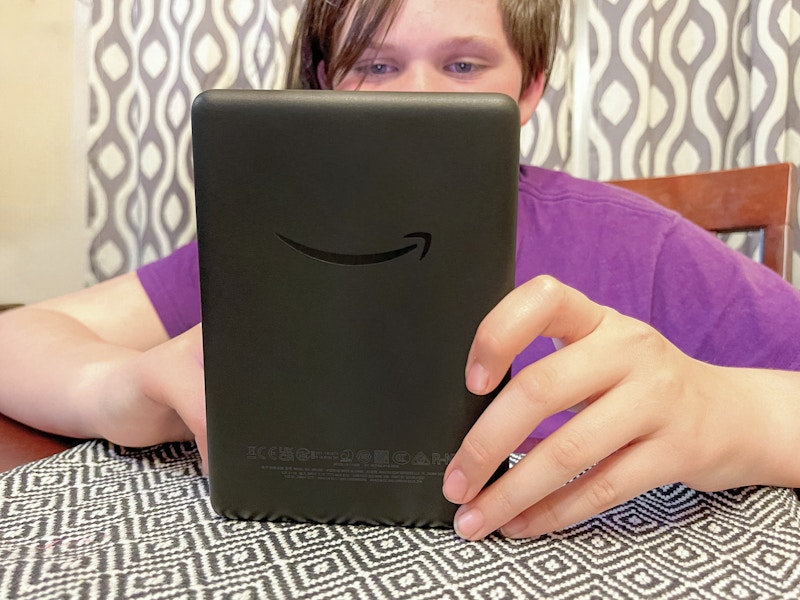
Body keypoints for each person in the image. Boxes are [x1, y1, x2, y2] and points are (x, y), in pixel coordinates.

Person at [2, 0, 800, 543]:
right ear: (323, 82)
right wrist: (131, 386)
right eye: (376, 66)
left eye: (462, 66)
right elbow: (19, 343)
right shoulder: (264, 249)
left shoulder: (640, 246)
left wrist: (729, 410)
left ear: (528, 90)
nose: (420, 101)